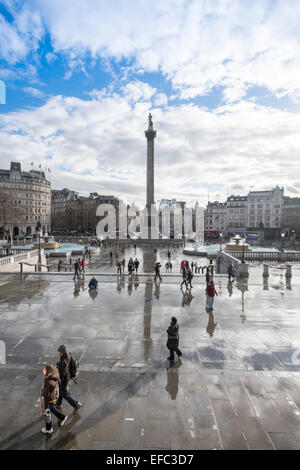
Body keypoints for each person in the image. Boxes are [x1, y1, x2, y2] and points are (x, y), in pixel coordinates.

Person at [40, 364, 68, 434]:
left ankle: (48, 429)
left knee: (47, 412)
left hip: (50, 398)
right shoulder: (55, 374)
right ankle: (62, 417)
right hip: (55, 395)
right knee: (52, 408)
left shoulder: (47, 382)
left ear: (48, 371)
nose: (43, 370)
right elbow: (59, 382)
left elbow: (47, 395)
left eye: (44, 369)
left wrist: (46, 407)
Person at [56, 345, 82, 413]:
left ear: (61, 352)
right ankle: (58, 404)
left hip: (64, 379)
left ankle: (76, 404)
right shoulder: (69, 356)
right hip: (69, 376)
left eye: (58, 352)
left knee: (65, 393)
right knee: (62, 390)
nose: (58, 353)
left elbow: (62, 373)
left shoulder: (62, 361)